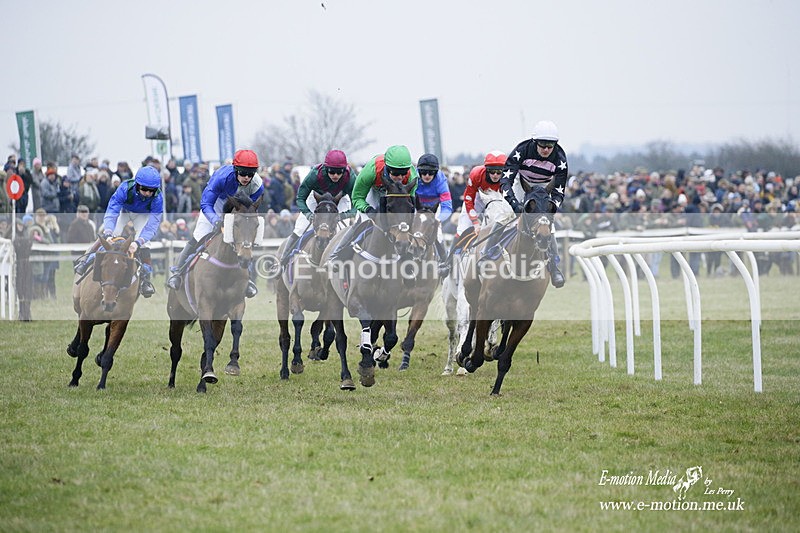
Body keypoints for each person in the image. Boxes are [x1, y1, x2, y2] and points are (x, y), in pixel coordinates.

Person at [166, 149, 263, 297]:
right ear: (236, 169)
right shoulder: (222, 177)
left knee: (244, 241)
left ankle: (247, 279)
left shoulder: (257, 185)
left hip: (237, 208)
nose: (247, 177)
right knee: (199, 236)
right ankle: (178, 272)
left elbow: (250, 210)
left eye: (251, 174)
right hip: (215, 204)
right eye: (243, 173)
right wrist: (216, 220)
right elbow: (205, 203)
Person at [72, 166, 163, 298]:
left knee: (145, 244)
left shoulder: (158, 198)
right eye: (144, 189)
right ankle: (86, 261)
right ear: (137, 185)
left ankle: (145, 281)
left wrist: (138, 242)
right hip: (124, 212)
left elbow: (152, 225)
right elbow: (112, 211)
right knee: (109, 236)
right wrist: (108, 232)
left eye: (151, 190)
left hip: (143, 215)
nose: (148, 193)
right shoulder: (125, 188)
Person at [499, 120, 567, 288]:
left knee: (548, 227)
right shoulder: (522, 150)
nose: (546, 149)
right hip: (522, 184)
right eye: (542, 145)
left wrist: (550, 209)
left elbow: (559, 191)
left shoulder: (559, 157)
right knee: (502, 217)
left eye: (550, 146)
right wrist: (515, 204)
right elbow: (506, 179)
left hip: (544, 188)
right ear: (535, 142)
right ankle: (487, 253)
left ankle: (554, 267)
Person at [328, 145, 419, 263]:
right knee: (362, 220)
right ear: (387, 167)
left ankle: (412, 256)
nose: (400, 178)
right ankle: (336, 254)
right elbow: (357, 197)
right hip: (375, 192)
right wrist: (367, 209)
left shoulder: (412, 176)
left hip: (397, 197)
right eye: (396, 173)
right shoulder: (370, 171)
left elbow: (410, 205)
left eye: (403, 173)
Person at [279, 149, 356, 266]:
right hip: (316, 199)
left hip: (340, 200)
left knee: (343, 232)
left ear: (344, 170)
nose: (335, 175)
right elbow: (300, 198)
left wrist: (344, 215)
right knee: (300, 228)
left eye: (339, 172)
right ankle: (282, 262)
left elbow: (357, 203)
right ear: (326, 168)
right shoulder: (314, 175)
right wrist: (308, 214)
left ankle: (343, 266)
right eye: (332, 171)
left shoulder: (350, 178)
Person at [414, 153, 453, 275]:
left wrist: (438, 220)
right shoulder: (412, 178)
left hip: (434, 209)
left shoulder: (441, 180)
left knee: (438, 233)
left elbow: (447, 207)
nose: (427, 175)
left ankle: (444, 261)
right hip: (417, 206)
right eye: (424, 172)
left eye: (431, 173)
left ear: (436, 173)